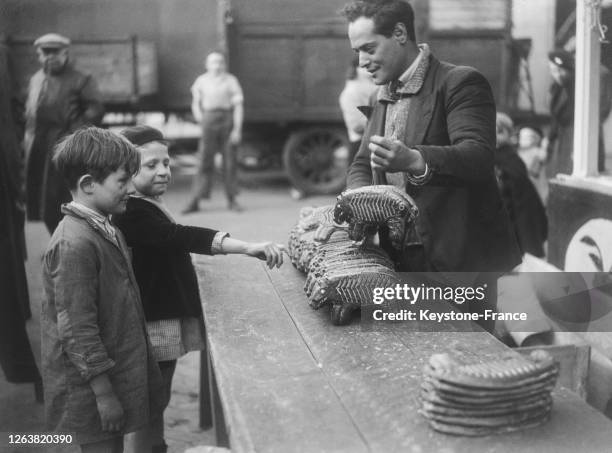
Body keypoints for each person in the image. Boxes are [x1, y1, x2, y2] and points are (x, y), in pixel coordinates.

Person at [341, 0, 521, 331]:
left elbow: (478, 157)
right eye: (357, 52)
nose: (362, 61)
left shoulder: (461, 82)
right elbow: (363, 163)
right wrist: (358, 201)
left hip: (462, 262)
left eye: (368, 48)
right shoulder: (380, 94)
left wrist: (413, 159)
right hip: (403, 262)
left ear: (399, 33)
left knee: (473, 363)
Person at [114, 125, 285, 453]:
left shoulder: (144, 203)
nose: (164, 171)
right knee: (152, 401)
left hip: (159, 314)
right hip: (153, 320)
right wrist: (245, 246)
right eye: (151, 165)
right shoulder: (134, 212)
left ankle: (154, 445)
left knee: (156, 399)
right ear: (124, 171)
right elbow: (180, 236)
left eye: (166, 162)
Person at [41, 127, 161, 452]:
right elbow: (78, 329)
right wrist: (104, 394)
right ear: (88, 184)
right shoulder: (74, 244)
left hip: (107, 379)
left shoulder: (103, 225)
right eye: (122, 182)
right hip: (90, 390)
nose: (130, 189)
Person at [23, 33, 105, 234]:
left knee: (62, 198)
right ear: (39, 55)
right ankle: (58, 238)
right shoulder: (36, 78)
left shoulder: (81, 79)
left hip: (64, 146)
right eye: (45, 52)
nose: (50, 57)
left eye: (55, 52)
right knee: (40, 200)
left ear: (65, 53)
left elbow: (95, 110)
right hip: (38, 147)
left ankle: (72, 240)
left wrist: (72, 136)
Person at [183, 51, 244, 213]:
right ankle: (195, 200)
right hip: (208, 120)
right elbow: (196, 103)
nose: (217, 65)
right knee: (204, 160)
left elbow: (238, 106)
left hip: (226, 119)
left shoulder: (231, 81)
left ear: (223, 64)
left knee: (229, 161)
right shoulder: (201, 81)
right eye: (213, 62)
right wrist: (200, 118)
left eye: (220, 62)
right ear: (207, 65)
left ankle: (232, 200)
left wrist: (237, 129)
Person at [546, 49, 612, 176]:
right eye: (553, 71)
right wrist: (548, 140)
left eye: (560, 71)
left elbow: (599, 112)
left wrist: (580, 145)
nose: (557, 75)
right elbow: (555, 117)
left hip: (579, 139)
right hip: (562, 142)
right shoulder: (557, 88)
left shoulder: (584, 84)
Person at [495, 113, 548, 258]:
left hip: (516, 228)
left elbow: (517, 201)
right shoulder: (507, 158)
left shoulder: (506, 160)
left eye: (499, 132)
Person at [339, 54, 377, 163]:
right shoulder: (350, 92)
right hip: (360, 146)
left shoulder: (372, 86)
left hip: (371, 144)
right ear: (358, 69)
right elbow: (356, 126)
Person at [517, 125, 548, 203]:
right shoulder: (518, 152)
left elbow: (534, 171)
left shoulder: (537, 152)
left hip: (535, 187)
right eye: (521, 137)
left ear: (536, 139)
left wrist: (544, 147)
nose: (523, 140)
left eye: (527, 137)